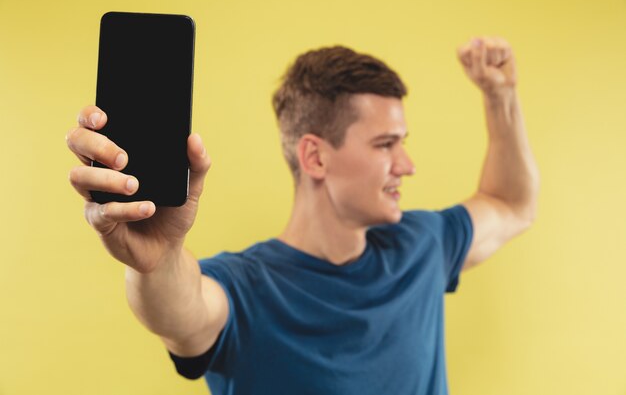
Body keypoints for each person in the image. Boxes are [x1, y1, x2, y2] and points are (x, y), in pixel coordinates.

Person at [66, 36, 540, 395]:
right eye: (385, 144)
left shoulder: (422, 245)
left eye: (403, 142)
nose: (408, 165)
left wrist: (501, 97)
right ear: (315, 157)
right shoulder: (244, 289)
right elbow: (180, 313)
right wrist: (158, 258)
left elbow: (511, 203)